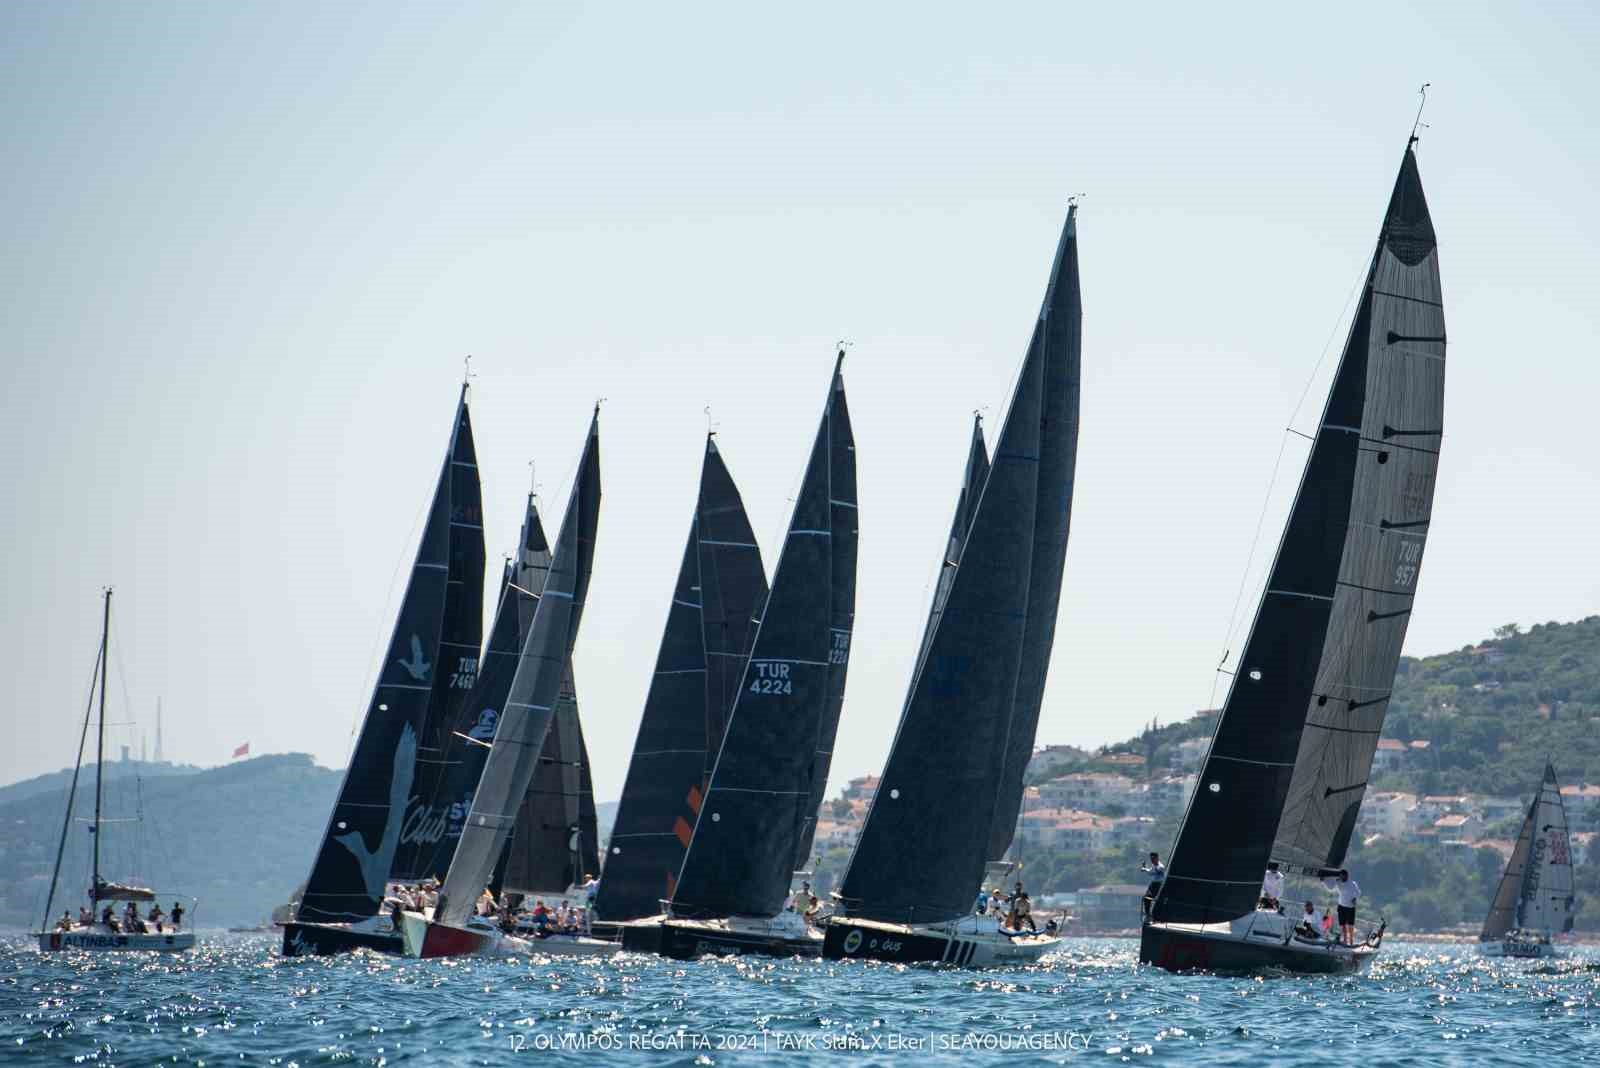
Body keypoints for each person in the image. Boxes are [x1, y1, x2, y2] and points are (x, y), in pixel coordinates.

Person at [1322, 869, 1361, 945]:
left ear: (1346, 876)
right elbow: (1331, 887)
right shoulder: (1338, 882)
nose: (1341, 877)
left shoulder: (1352, 884)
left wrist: (1354, 898)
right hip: (1341, 906)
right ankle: (1345, 940)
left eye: (1342, 876)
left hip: (1350, 907)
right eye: (1340, 876)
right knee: (1342, 924)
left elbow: (1358, 893)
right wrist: (1323, 881)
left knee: (1350, 925)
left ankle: (1351, 941)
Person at [1140, 853, 1166, 920]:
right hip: (1153, 885)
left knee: (1156, 900)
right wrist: (1145, 868)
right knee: (1146, 898)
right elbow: (1150, 872)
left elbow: (1157, 871)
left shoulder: (1160, 866)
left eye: (1153, 859)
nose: (1152, 860)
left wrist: (1148, 868)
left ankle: (1156, 916)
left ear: (1157, 858)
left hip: (1158, 885)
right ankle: (1148, 915)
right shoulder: (1154, 865)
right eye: (1151, 859)